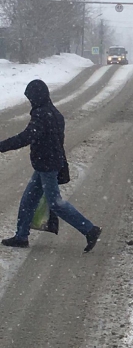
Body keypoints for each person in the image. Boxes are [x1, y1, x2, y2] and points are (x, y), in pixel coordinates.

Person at [0, 79, 102, 252]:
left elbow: (27, 136)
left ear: (37, 96)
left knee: (55, 203)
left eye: (31, 97)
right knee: (28, 200)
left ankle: (89, 229)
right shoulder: (54, 113)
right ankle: (21, 236)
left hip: (47, 165)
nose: (30, 101)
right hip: (47, 163)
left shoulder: (41, 115)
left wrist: (3, 145)